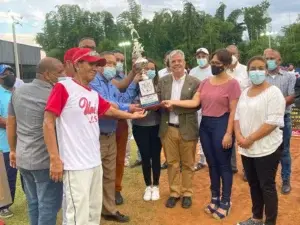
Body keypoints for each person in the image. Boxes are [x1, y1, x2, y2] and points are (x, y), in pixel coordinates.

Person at [43, 48, 146, 225]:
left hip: (94, 162)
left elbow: (110, 109)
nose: (95, 68)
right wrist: (54, 158)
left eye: (97, 65)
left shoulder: (91, 93)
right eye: (91, 63)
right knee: (77, 214)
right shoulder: (64, 87)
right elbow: (48, 122)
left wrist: (131, 115)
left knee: (93, 211)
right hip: (75, 165)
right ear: (77, 65)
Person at [163, 49, 241, 219]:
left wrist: (229, 133)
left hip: (222, 124)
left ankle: (226, 201)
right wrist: (173, 102)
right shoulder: (205, 82)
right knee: (212, 164)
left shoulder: (233, 84)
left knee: (224, 165)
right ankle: (214, 198)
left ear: (226, 65)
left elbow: (234, 111)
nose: (213, 66)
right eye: (212, 62)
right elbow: (194, 102)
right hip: (205, 126)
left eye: (217, 64)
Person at [6, 58, 64, 224]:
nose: (63, 75)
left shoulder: (18, 91)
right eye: (59, 72)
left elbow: (11, 122)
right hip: (45, 161)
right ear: (47, 74)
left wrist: (13, 150)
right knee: (48, 205)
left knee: (33, 202)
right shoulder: (54, 94)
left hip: (23, 157)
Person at [89, 51, 141, 222]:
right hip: (97, 136)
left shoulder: (110, 83)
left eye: (114, 63)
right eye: (109, 63)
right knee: (95, 176)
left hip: (110, 134)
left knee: (109, 174)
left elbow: (123, 98)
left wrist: (133, 82)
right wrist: (128, 109)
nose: (113, 66)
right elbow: (105, 105)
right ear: (98, 66)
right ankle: (93, 211)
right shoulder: (93, 83)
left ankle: (109, 209)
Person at [235, 56, 285, 225]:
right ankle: (256, 218)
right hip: (247, 149)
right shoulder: (244, 93)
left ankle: (270, 222)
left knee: (267, 186)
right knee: (254, 184)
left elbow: (272, 122)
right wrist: (240, 137)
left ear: (266, 70)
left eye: (260, 68)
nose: (257, 71)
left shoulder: (274, 92)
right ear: (248, 71)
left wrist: (249, 139)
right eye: (253, 68)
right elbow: (236, 117)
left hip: (267, 148)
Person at [158, 50, 200, 209]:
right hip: (168, 128)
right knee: (172, 163)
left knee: (188, 163)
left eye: (179, 61)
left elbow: (196, 104)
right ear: (168, 64)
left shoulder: (195, 82)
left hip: (187, 128)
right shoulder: (163, 81)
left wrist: (173, 104)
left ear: (184, 62)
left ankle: (187, 192)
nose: (176, 63)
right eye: (173, 61)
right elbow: (156, 100)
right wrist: (161, 105)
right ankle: (174, 192)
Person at [264, 49, 296, 194]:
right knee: (266, 151)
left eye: (272, 58)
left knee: (284, 151)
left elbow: (291, 97)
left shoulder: (289, 77)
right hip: (265, 119)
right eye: (267, 58)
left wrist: (275, 105)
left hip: (283, 118)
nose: (269, 60)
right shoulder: (261, 77)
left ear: (279, 60)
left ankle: (285, 179)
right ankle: (267, 179)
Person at [132, 59, 162, 201]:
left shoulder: (159, 85)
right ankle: (148, 186)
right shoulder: (134, 86)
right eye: (146, 69)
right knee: (145, 156)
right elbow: (129, 102)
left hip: (156, 125)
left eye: (151, 69)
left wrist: (156, 104)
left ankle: (156, 185)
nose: (149, 71)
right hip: (140, 126)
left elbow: (161, 103)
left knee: (155, 156)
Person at [226, 45, 250, 179]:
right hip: (228, 111)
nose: (231, 56)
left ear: (238, 55)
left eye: (233, 53)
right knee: (229, 139)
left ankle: (247, 170)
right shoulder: (222, 71)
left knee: (244, 139)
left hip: (244, 111)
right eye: (228, 54)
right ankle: (232, 166)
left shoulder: (246, 70)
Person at [189, 47, 211, 171]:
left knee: (207, 133)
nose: (201, 59)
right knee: (196, 133)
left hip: (209, 106)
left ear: (208, 57)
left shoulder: (212, 70)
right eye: (199, 57)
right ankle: (201, 160)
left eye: (203, 56)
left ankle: (208, 159)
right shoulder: (192, 71)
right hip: (195, 106)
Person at [0, 65, 17, 219]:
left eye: (11, 72)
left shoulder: (17, 92)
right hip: (3, 144)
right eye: (5, 74)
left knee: (21, 175)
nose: (10, 75)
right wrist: (13, 123)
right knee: (6, 177)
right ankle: (3, 206)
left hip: (20, 142)